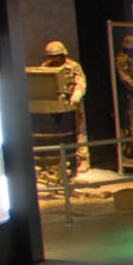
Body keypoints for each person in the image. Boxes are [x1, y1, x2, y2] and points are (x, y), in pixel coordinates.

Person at [41, 40, 89, 174]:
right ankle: (55, 162)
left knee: (78, 130)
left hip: (72, 103)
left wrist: (76, 95)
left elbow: (81, 82)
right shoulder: (46, 66)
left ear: (62, 54)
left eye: (56, 56)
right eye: (51, 56)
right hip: (55, 104)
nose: (53, 59)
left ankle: (83, 159)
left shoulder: (73, 66)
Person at [114, 34, 133, 167]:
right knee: (130, 125)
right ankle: (131, 152)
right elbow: (123, 77)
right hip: (128, 95)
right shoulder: (121, 58)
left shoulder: (132, 57)